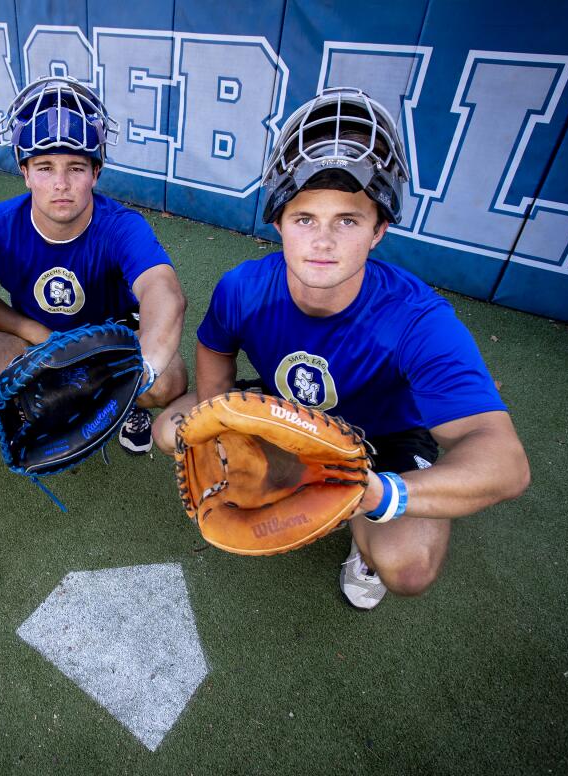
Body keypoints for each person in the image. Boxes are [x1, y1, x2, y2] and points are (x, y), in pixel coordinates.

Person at [153, 87, 530, 609]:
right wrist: (219, 413)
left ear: (379, 230)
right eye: (305, 219)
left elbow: (505, 461)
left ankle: (351, 514)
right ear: (279, 223)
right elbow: (215, 346)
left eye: (347, 221)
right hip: (285, 413)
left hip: (386, 440)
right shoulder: (243, 286)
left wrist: (380, 493)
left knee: (408, 566)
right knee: (172, 431)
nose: (322, 242)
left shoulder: (418, 319)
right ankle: (299, 473)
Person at [0, 76, 187, 453]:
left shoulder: (120, 225)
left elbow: (165, 293)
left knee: (166, 384)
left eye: (76, 168)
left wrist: (142, 369)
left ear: (95, 172)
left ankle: (125, 406)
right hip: (33, 332)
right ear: (25, 173)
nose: (60, 183)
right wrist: (29, 327)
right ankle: (34, 395)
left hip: (113, 335)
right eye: (44, 167)